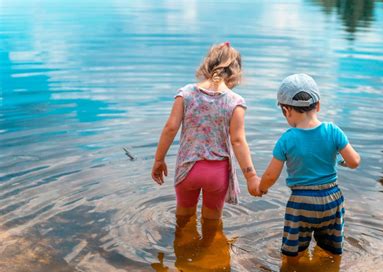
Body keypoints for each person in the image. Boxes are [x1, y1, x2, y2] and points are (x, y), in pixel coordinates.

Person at [151, 42, 260, 220]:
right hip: (217, 172)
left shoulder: (185, 93)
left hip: (188, 169)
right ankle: (213, 246)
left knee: (183, 219)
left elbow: (170, 128)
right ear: (236, 72)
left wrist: (159, 159)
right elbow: (238, 141)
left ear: (207, 66)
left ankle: (183, 247)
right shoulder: (235, 102)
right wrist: (251, 176)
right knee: (212, 222)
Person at [259, 73, 360, 257]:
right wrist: (343, 162)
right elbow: (355, 161)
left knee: (292, 254)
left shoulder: (287, 139)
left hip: (301, 203)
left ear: (286, 110)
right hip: (332, 199)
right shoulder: (333, 131)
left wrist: (262, 188)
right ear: (318, 105)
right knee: (332, 252)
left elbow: (270, 176)